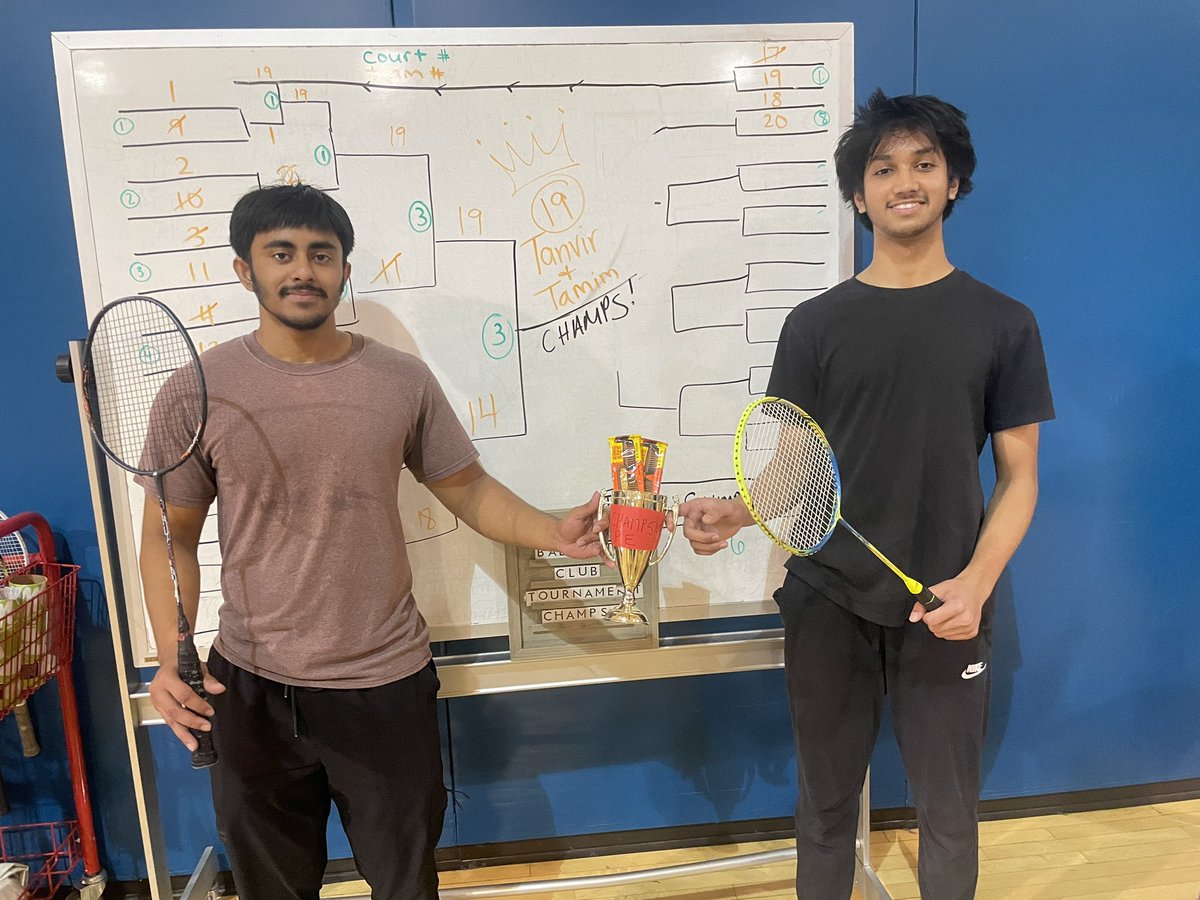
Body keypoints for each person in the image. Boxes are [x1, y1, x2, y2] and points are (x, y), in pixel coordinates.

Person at [137, 183, 605, 900]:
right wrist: (173, 655)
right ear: (243, 270)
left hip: (384, 685)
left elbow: (466, 488)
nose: (303, 270)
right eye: (281, 254)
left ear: (344, 271)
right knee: (273, 889)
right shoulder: (196, 390)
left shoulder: (399, 380)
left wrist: (552, 531)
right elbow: (169, 538)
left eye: (321, 254)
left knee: (405, 884)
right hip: (251, 686)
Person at [679, 90, 1054, 899]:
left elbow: (1020, 478)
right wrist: (736, 512)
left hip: (944, 602)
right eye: (882, 169)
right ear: (858, 194)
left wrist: (976, 583)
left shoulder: (1005, 323)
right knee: (824, 808)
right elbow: (796, 462)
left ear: (954, 182)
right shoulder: (815, 324)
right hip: (828, 598)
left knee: (948, 815)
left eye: (924, 164)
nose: (904, 182)